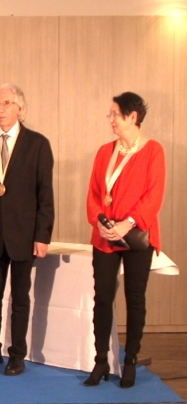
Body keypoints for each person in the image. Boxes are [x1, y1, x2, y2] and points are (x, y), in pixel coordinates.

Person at [0, 83, 55, 376]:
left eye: (6, 103)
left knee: (20, 298)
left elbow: (45, 195)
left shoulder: (38, 144)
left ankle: (16, 354)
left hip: (24, 236)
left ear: (20, 107)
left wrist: (43, 236)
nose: (0, 109)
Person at [84, 92, 165, 388]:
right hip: (105, 235)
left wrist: (126, 224)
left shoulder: (153, 150)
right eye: (110, 115)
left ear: (132, 117)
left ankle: (130, 359)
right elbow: (94, 194)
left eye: (115, 114)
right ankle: (101, 359)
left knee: (135, 298)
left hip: (137, 235)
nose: (111, 120)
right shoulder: (105, 151)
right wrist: (101, 222)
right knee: (102, 298)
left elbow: (153, 196)